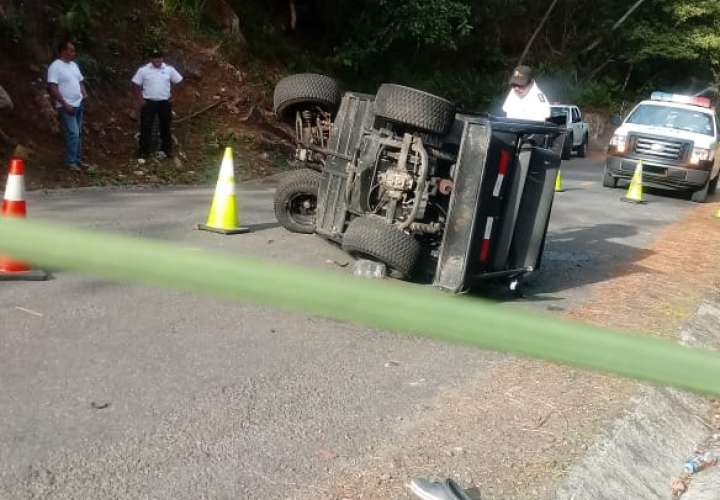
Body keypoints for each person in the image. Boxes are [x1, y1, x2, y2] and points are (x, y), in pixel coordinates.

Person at [131, 49, 183, 160]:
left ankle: (167, 150)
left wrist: (175, 96)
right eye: (155, 58)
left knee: (165, 126)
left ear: (162, 58)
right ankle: (143, 152)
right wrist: (140, 99)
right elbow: (135, 84)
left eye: (159, 57)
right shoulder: (143, 70)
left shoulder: (169, 69)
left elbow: (178, 81)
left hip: (164, 102)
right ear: (151, 59)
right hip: (148, 102)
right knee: (146, 126)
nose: (157, 60)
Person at [47, 41, 87, 170]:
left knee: (78, 133)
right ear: (63, 51)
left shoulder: (74, 65)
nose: (73, 53)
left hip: (78, 103)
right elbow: (53, 87)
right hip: (66, 106)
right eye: (71, 50)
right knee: (73, 133)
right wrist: (64, 104)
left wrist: (84, 92)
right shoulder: (55, 66)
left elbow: (80, 81)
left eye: (74, 51)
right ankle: (70, 162)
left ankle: (77, 160)